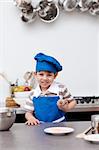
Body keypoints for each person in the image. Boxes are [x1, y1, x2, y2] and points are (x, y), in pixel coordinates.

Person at [24, 53, 76, 125]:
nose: (45, 78)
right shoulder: (33, 94)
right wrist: (31, 118)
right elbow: (28, 112)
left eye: (49, 75)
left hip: (59, 125)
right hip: (40, 127)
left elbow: (73, 102)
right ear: (35, 75)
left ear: (55, 76)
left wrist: (65, 108)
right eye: (41, 74)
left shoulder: (61, 88)